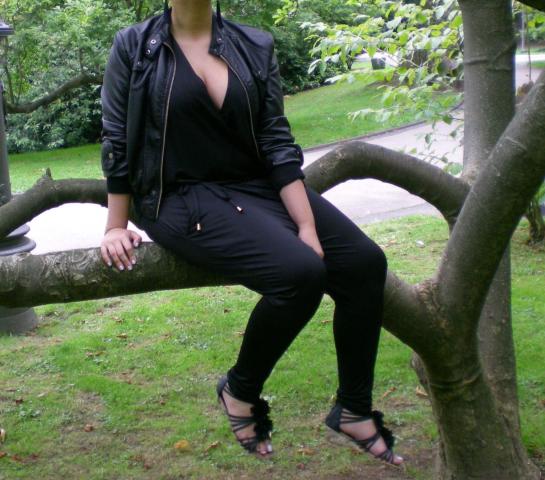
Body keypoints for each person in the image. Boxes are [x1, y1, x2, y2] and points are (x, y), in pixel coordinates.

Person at [99, 0, 404, 465]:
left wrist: (306, 224)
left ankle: (354, 408)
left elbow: (275, 140)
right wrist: (115, 227)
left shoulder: (254, 45)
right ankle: (240, 390)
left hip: (253, 186)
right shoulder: (134, 47)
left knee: (365, 263)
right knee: (300, 274)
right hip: (177, 197)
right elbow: (117, 141)